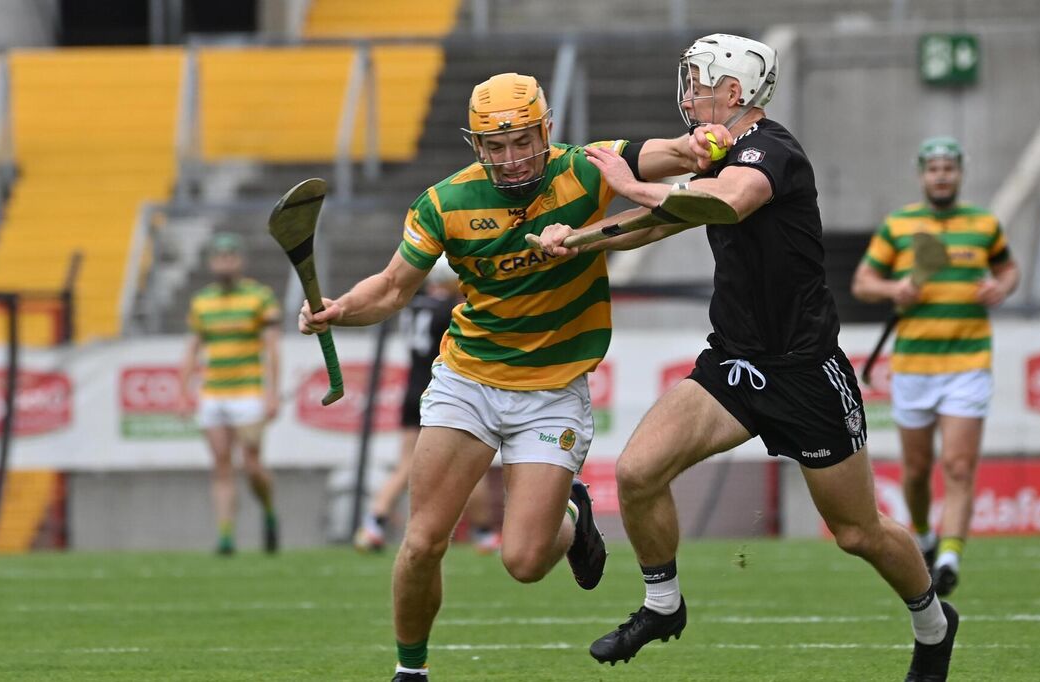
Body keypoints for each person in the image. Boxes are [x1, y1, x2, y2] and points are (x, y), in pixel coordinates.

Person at [538, 33, 960, 680]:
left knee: (858, 533)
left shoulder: (771, 151)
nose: (687, 94)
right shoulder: (718, 156)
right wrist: (579, 240)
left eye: (699, 82)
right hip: (734, 365)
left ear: (734, 92)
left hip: (804, 371)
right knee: (637, 472)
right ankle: (663, 605)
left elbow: (725, 203)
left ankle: (934, 624)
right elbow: (662, 221)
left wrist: (628, 183)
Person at [298, 72, 729, 682]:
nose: (510, 158)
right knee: (422, 542)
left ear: (546, 131)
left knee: (524, 562)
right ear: (476, 145)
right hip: (468, 380)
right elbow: (393, 288)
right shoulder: (444, 202)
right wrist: (340, 309)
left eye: (522, 141)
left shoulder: (586, 168)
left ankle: (573, 519)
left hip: (553, 392)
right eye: (494, 146)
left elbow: (683, 154)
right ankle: (411, 670)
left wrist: (709, 141)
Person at [851, 136, 1020, 597]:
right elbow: (863, 282)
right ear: (922, 175)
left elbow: (1008, 269)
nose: (941, 175)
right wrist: (894, 291)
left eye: (949, 168)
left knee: (960, 465)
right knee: (918, 469)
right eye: (933, 168)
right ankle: (924, 536)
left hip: (968, 362)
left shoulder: (984, 224)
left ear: (960, 173)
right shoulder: (900, 225)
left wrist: (1001, 288)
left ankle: (948, 557)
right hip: (914, 365)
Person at [354, 261, 501, 555]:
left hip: (412, 388)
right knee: (472, 463)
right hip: (440, 388)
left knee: (406, 463)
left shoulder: (415, 304)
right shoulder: (450, 308)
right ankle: (484, 533)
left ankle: (375, 520)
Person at [180, 232, 281, 556]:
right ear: (211, 262)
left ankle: (267, 511)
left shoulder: (259, 297)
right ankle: (225, 535)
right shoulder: (202, 302)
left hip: (248, 392)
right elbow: (193, 350)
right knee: (221, 464)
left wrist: (272, 394)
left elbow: (272, 349)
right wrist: (184, 391)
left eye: (230, 256)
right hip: (214, 393)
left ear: (239, 261)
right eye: (219, 257)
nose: (224, 262)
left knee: (252, 466)